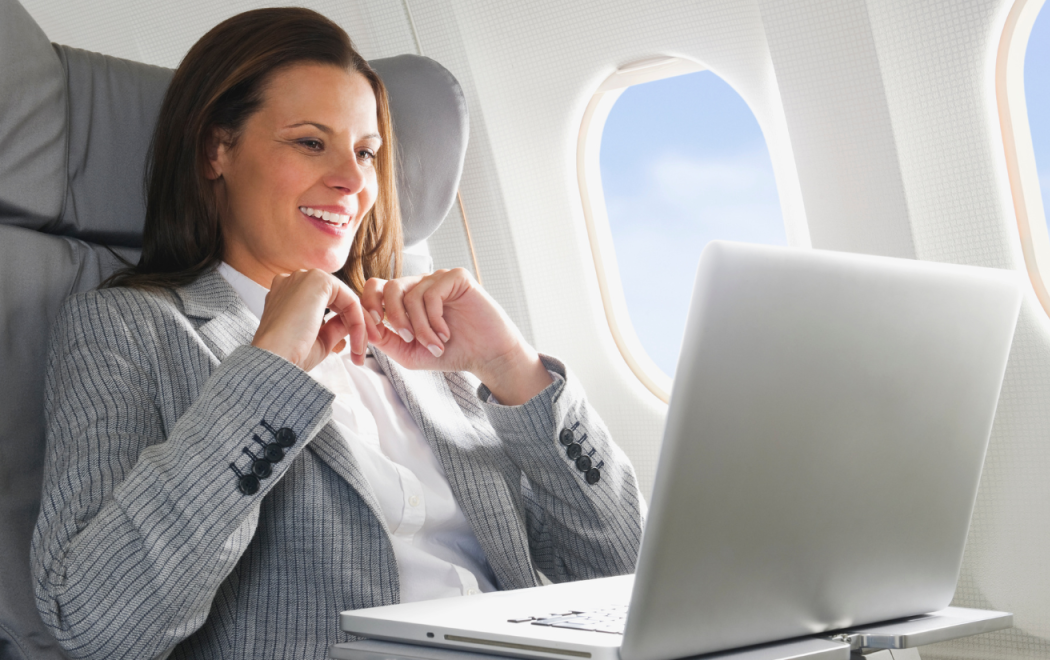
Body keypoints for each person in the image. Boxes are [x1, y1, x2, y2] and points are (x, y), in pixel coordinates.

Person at [30, 8, 644, 660]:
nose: (353, 182)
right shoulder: (130, 328)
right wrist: (269, 370)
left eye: (367, 152)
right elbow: (92, 621)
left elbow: (622, 572)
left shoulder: (428, 343)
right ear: (217, 149)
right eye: (310, 142)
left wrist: (512, 367)